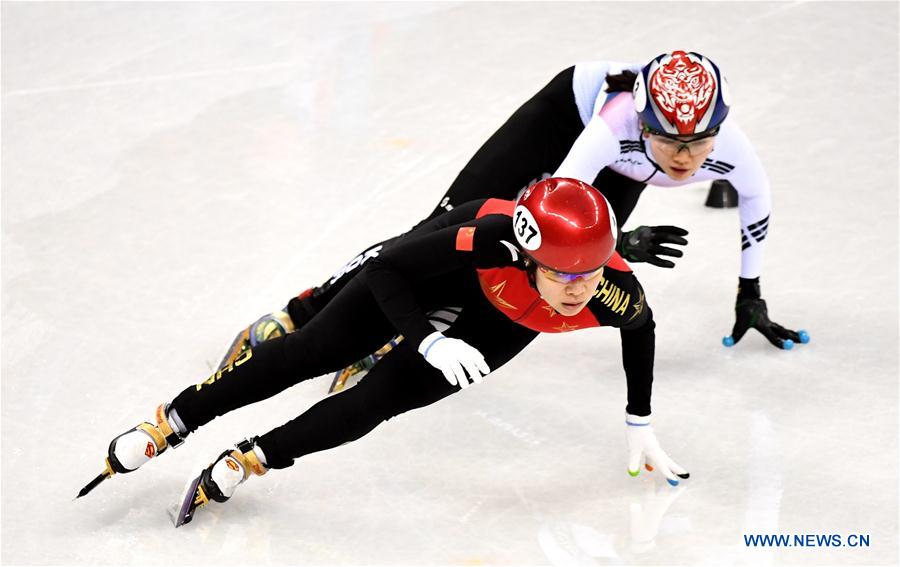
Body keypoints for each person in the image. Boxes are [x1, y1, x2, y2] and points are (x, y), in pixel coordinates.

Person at [83, 178, 689, 527]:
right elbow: (386, 268)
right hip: (438, 276)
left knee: (379, 400)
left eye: (588, 275)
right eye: (564, 276)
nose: (579, 290)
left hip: (500, 322)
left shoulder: (609, 292)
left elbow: (642, 330)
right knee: (313, 350)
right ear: (528, 253)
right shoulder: (493, 238)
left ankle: (253, 459)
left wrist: (639, 420)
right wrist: (426, 337)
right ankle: (174, 421)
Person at [220, 50, 807, 382]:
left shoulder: (733, 151)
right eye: (668, 141)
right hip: (564, 117)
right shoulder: (614, 125)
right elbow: (560, 203)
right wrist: (620, 239)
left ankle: (407, 325)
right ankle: (306, 310)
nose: (683, 160)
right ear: (642, 122)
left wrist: (749, 291)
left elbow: (757, 205)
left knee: (555, 260)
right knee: (448, 228)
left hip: (627, 167)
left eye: (698, 143)